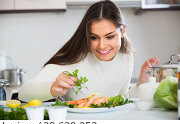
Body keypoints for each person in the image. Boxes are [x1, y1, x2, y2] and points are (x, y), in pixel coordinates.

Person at [18, 0, 159, 102]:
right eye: (94, 37)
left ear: (122, 32)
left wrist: (141, 85)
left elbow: (122, 99)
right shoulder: (73, 58)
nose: (102, 46)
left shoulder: (125, 56)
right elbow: (24, 93)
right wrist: (52, 88)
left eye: (109, 37)